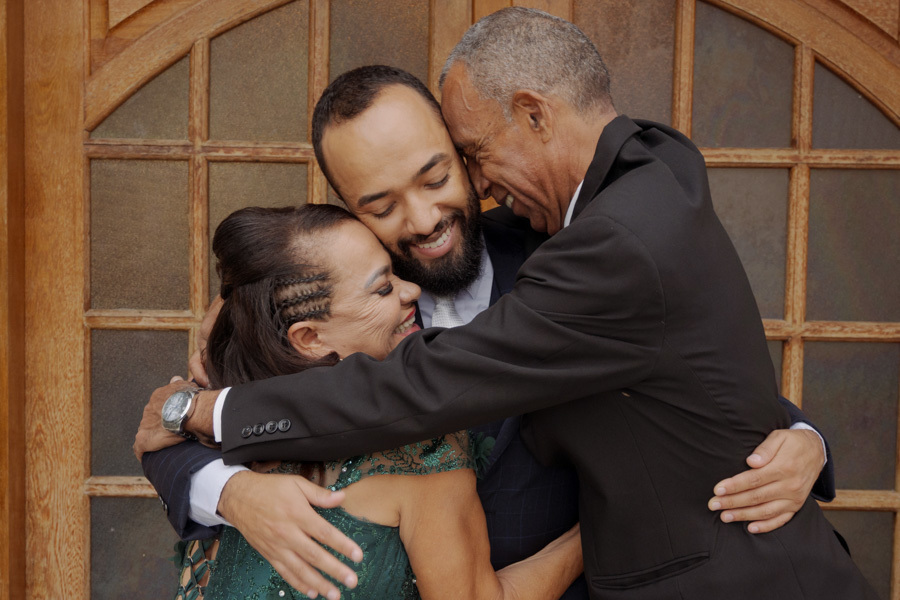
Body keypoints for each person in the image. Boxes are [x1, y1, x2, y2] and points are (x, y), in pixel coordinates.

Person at [139, 66, 835, 600]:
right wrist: (228, 492)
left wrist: (804, 440)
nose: (421, 219)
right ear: (347, 210)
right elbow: (177, 424)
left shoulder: (577, 260)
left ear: (465, 155)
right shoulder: (320, 297)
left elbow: (696, 376)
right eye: (379, 204)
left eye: (435, 176)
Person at [172, 203, 583, 600]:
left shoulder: (210, 439)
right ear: (309, 339)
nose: (412, 291)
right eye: (384, 287)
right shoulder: (424, 452)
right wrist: (593, 533)